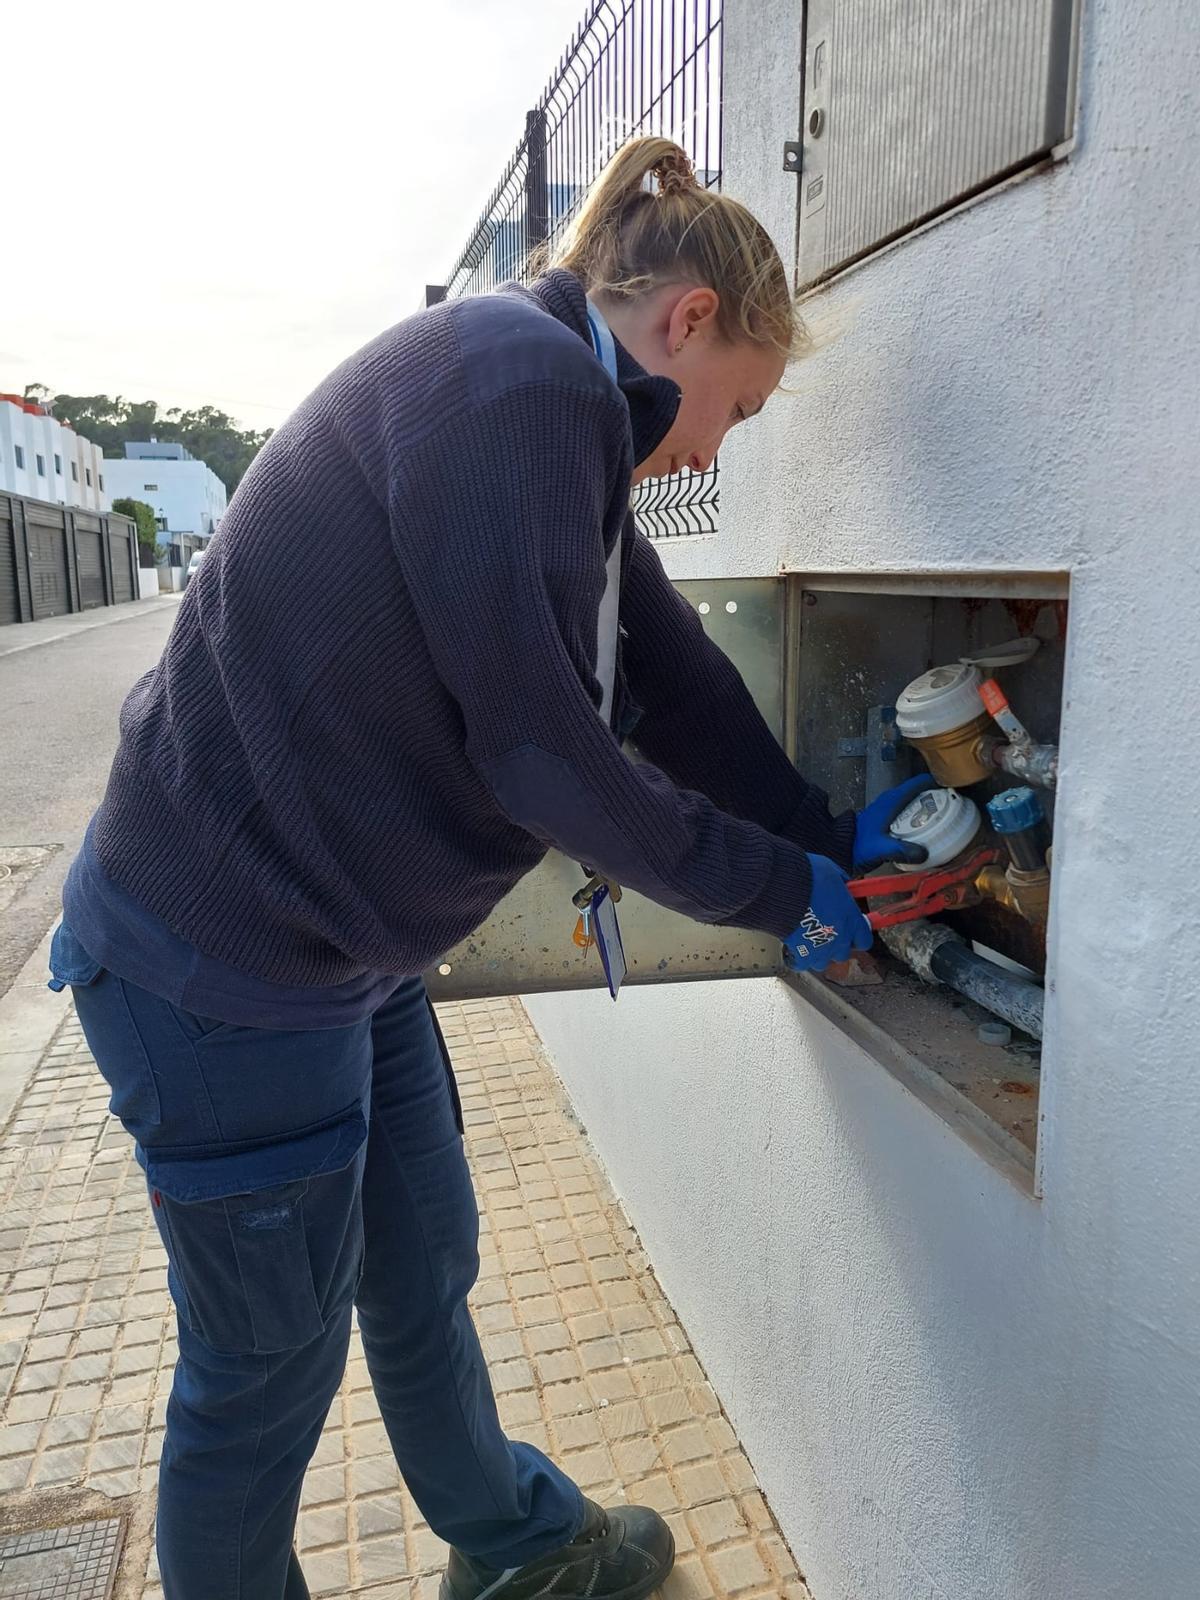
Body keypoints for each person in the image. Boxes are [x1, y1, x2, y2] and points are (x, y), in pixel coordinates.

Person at [47, 136, 926, 1600]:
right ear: (689, 321)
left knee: (420, 1263)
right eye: (738, 411)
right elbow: (544, 755)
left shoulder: (561, 413)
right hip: (222, 961)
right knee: (262, 1374)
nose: (713, 449)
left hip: (348, 948)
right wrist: (779, 895)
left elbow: (680, 679)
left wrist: (824, 838)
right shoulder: (511, 388)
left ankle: (518, 1550)